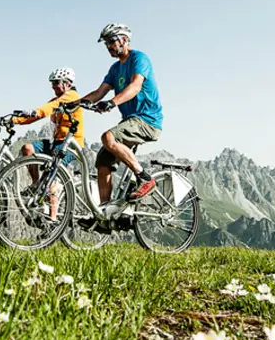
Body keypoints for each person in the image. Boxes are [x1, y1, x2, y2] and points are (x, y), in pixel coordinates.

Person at [77, 23, 162, 203]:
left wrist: (112, 102)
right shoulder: (115, 69)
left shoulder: (139, 59)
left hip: (147, 120)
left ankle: (145, 179)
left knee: (108, 137)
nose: (108, 46)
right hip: (130, 121)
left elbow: (135, 85)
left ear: (124, 39)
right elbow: (99, 92)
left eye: (111, 41)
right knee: (102, 162)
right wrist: (75, 104)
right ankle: (105, 211)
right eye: (106, 43)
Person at [10, 67, 84, 219]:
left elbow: (46, 109)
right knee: (27, 148)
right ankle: (36, 183)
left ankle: (52, 219)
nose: (53, 86)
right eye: (52, 83)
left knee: (51, 178)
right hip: (55, 143)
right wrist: (14, 120)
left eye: (56, 83)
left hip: (70, 145)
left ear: (66, 83)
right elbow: (40, 114)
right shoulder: (57, 101)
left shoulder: (71, 96)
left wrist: (36, 111)